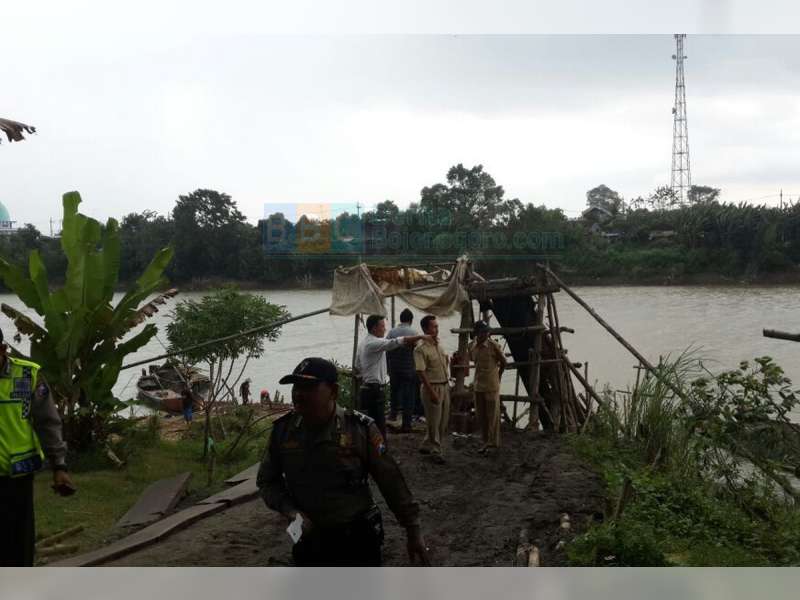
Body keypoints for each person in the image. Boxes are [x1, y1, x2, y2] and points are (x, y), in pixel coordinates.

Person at [256, 357, 431, 567]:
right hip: (310, 540)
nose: (298, 394)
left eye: (309, 386)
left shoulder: (359, 429)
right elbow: (267, 481)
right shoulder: (283, 431)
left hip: (357, 539)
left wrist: (413, 530)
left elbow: (391, 481)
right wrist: (290, 511)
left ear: (334, 391)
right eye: (296, 387)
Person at [0, 328, 76, 567]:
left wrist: (59, 466)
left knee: (17, 546)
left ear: (2, 350)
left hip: (17, 476)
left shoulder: (28, 375)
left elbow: (48, 423)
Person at [354, 315, 429, 445]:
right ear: (374, 328)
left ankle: (372, 455)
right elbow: (396, 342)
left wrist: (369, 371)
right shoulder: (373, 343)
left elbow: (357, 366)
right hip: (374, 391)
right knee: (378, 427)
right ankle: (380, 456)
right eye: (382, 326)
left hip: (368, 389)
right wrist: (421, 337)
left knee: (370, 425)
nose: (384, 329)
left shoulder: (363, 343)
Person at [413, 315, 451, 464]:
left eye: (437, 326)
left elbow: (443, 365)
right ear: (426, 329)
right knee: (435, 422)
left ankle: (426, 444)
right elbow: (421, 372)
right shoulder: (420, 348)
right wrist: (431, 392)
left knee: (442, 420)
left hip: (444, 385)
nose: (437, 329)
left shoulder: (438, 345)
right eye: (433, 327)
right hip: (432, 386)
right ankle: (436, 450)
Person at [468, 320, 507, 455]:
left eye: (487, 331)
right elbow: (474, 361)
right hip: (478, 385)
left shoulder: (493, 346)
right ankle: (485, 442)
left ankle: (493, 444)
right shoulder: (472, 346)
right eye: (483, 331)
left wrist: (498, 377)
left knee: (493, 416)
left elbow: (503, 362)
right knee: (481, 416)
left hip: (491, 386)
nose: (486, 333)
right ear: (477, 333)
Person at [386, 308, 418, 432]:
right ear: (411, 320)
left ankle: (392, 416)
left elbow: (387, 350)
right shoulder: (414, 332)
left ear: (401, 319)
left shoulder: (391, 332)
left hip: (394, 369)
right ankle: (406, 424)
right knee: (408, 397)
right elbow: (418, 352)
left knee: (394, 393)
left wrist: (388, 368)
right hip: (409, 369)